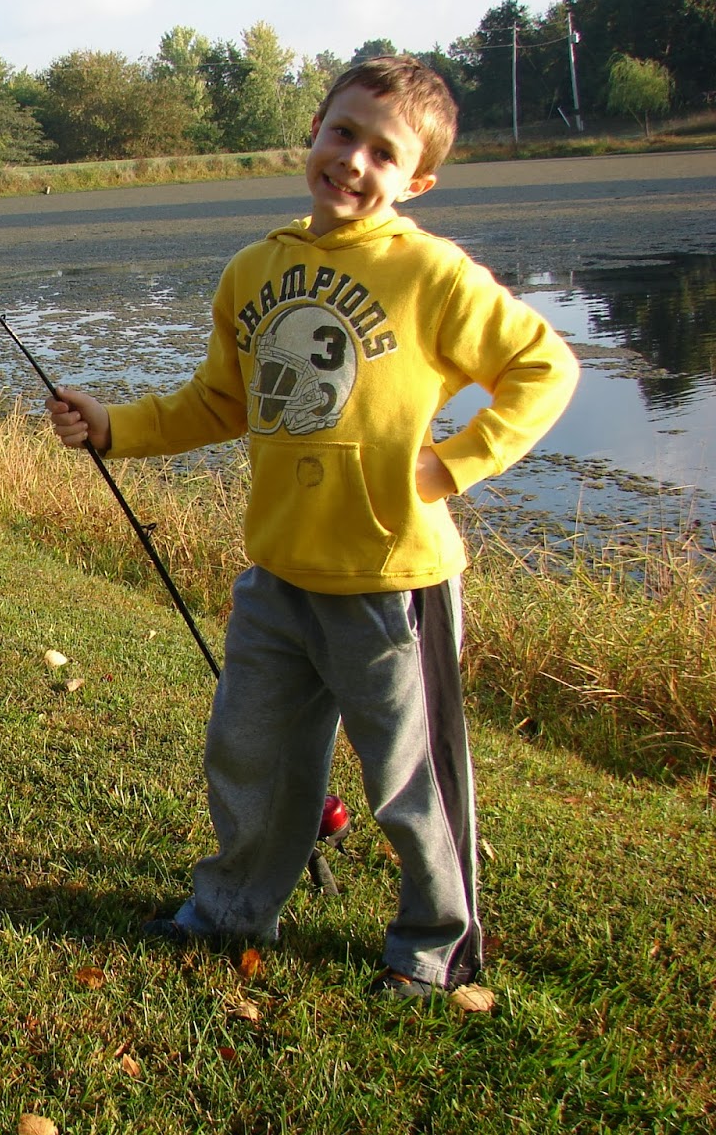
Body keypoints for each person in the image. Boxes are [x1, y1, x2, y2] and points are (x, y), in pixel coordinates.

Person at [46, 55, 578, 997]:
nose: (354, 161)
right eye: (343, 132)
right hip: (278, 580)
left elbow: (545, 367)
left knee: (411, 783)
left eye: (384, 152)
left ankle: (434, 949)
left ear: (418, 180)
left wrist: (454, 462)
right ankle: (230, 913)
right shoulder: (256, 270)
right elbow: (220, 402)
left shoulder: (432, 274)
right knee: (249, 756)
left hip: (392, 585)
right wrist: (114, 426)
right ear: (316, 131)